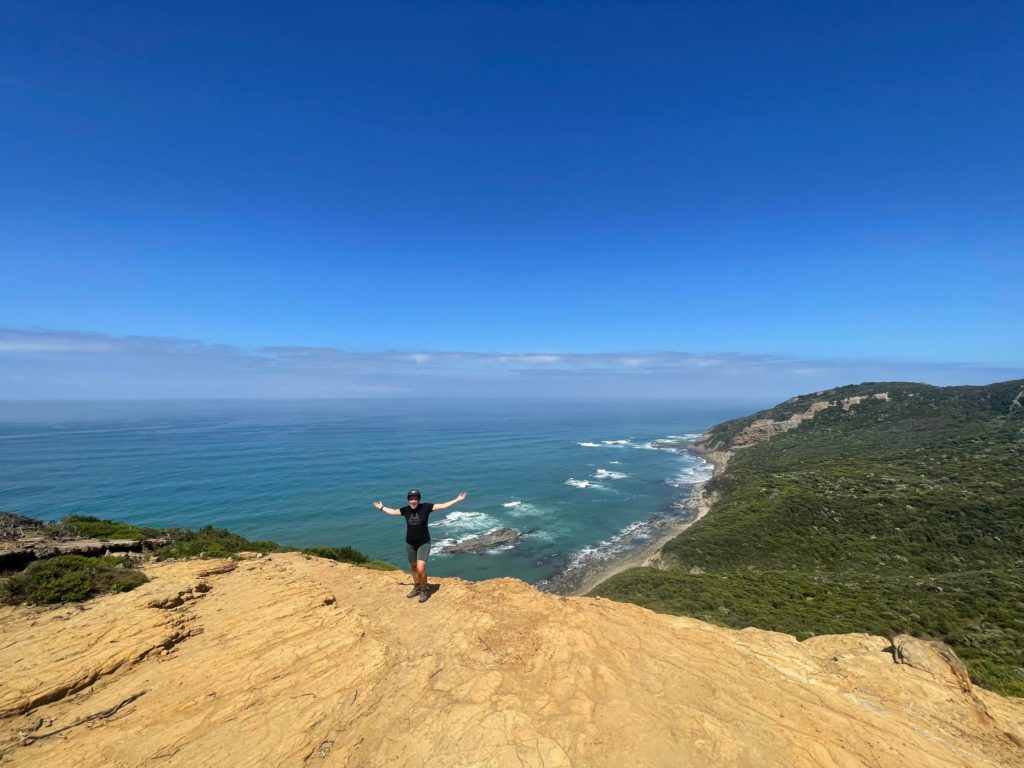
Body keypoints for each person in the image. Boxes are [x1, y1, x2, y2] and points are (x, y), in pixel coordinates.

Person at [373, 488, 467, 602]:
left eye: (415, 499)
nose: (413, 501)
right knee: (413, 567)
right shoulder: (406, 510)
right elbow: (393, 512)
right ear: (408, 501)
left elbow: (443, 506)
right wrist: (381, 507)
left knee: (420, 568)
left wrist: (457, 499)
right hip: (410, 544)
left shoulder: (425, 508)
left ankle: (424, 590)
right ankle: (417, 587)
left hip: (424, 543)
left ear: (419, 500)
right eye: (411, 499)